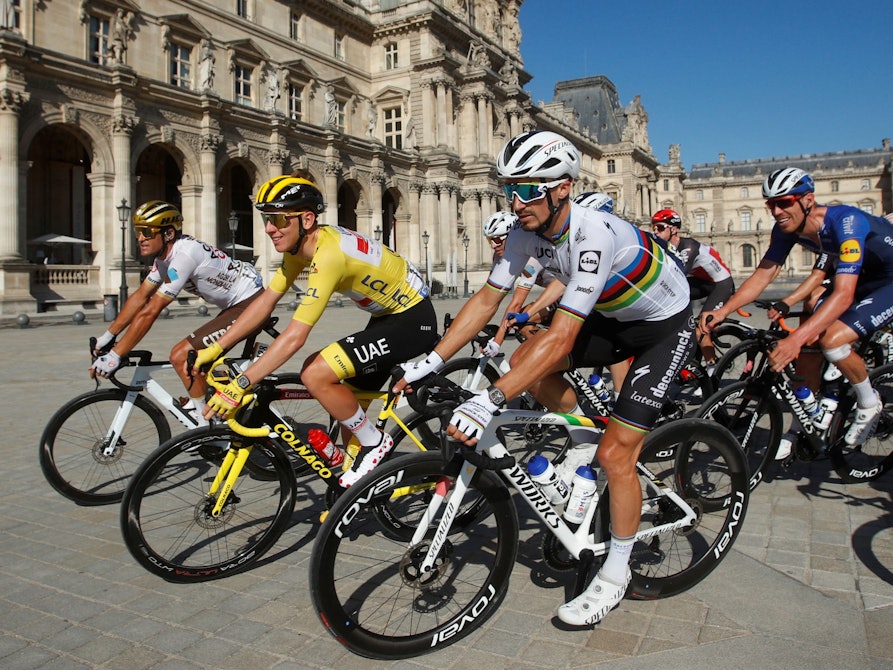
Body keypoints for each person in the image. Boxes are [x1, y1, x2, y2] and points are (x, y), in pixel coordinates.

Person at [395, 130, 694, 626]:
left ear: (563, 188)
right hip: (614, 316)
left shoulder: (593, 233)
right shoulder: (522, 231)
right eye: (510, 188)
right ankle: (579, 437)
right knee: (522, 364)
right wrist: (428, 361)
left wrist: (487, 400)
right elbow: (487, 300)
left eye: (529, 189)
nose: (517, 201)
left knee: (617, 452)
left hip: (663, 326)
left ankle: (615, 575)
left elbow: (561, 339)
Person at [197, 175, 438, 487]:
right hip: (385, 315)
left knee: (315, 372)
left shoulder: (328, 255)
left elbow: (296, 335)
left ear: (306, 219)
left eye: (279, 219)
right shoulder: (300, 249)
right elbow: (265, 302)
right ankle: (364, 487)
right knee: (350, 406)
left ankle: (376, 445)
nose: (270, 228)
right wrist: (216, 348)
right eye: (267, 219)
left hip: (412, 318)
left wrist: (242, 383)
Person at [701, 167, 893, 447]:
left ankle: (868, 401)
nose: (776, 211)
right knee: (809, 341)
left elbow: (842, 294)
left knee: (833, 340)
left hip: (888, 280)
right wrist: (722, 311)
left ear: (807, 200)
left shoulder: (846, 222)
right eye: (771, 204)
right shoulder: (786, 230)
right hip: (865, 277)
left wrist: (793, 340)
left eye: (784, 202)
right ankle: (814, 412)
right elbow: (763, 274)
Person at [90, 201, 264, 426]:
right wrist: (108, 337)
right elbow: (140, 297)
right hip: (234, 306)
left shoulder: (184, 256)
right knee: (196, 366)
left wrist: (115, 356)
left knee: (181, 356)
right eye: (137, 232)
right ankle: (211, 413)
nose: (139, 238)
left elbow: (151, 311)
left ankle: (208, 428)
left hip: (251, 304)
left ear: (168, 233)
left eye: (146, 232)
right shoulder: (164, 259)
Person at [650, 208, 735, 370]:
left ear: (673, 229)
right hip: (701, 282)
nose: (655, 231)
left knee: (700, 327)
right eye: (653, 227)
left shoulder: (688, 247)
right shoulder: (666, 247)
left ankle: (711, 368)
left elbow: (676, 274)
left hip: (720, 284)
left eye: (660, 227)